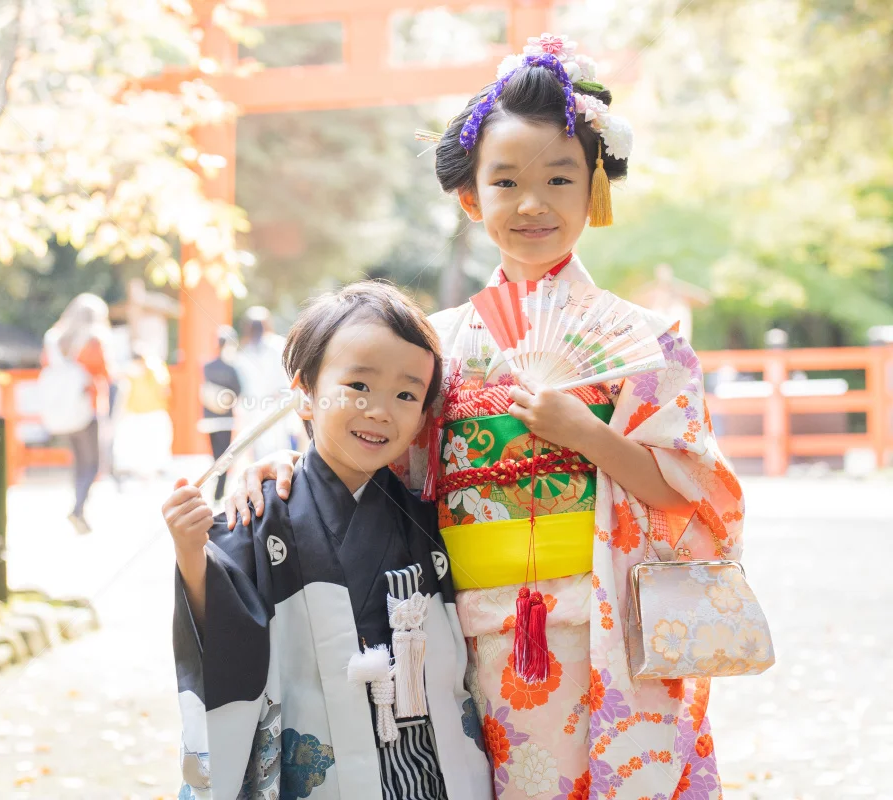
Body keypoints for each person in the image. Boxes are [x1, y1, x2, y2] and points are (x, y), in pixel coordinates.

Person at [225, 34, 745, 800]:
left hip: (606, 631)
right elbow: (376, 449)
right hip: (460, 635)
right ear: (471, 197)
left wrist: (591, 436)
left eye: (559, 179)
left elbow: (696, 494)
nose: (532, 204)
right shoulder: (434, 343)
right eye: (506, 182)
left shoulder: (647, 342)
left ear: (593, 189)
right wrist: (279, 462)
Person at [163, 282, 491, 800]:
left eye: (407, 394)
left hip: (422, 766)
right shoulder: (263, 514)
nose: (380, 410)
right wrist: (190, 552)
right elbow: (222, 630)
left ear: (425, 416)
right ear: (305, 392)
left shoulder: (426, 516)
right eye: (359, 385)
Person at [41, 293, 112, 535]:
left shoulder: (55, 338)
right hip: (87, 408)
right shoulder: (93, 340)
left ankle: (78, 508)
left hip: (64, 409)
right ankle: (79, 508)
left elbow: (46, 366)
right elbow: (105, 372)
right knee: (92, 464)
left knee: (79, 462)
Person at [234, 306, 293, 460]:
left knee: (279, 444)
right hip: (257, 405)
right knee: (260, 444)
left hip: (276, 401)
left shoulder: (277, 345)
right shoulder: (245, 351)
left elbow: (286, 373)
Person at [113, 346, 172, 479]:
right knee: (138, 445)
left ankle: (153, 470)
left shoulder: (155, 369)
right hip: (137, 413)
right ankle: (140, 471)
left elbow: (163, 390)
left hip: (153, 413)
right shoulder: (133, 372)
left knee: (155, 444)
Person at [198, 325, 243, 502]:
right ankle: (219, 491)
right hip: (225, 417)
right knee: (224, 455)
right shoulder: (233, 368)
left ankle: (217, 488)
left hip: (209, 417)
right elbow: (238, 391)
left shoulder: (207, 366)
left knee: (215, 455)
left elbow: (203, 390)